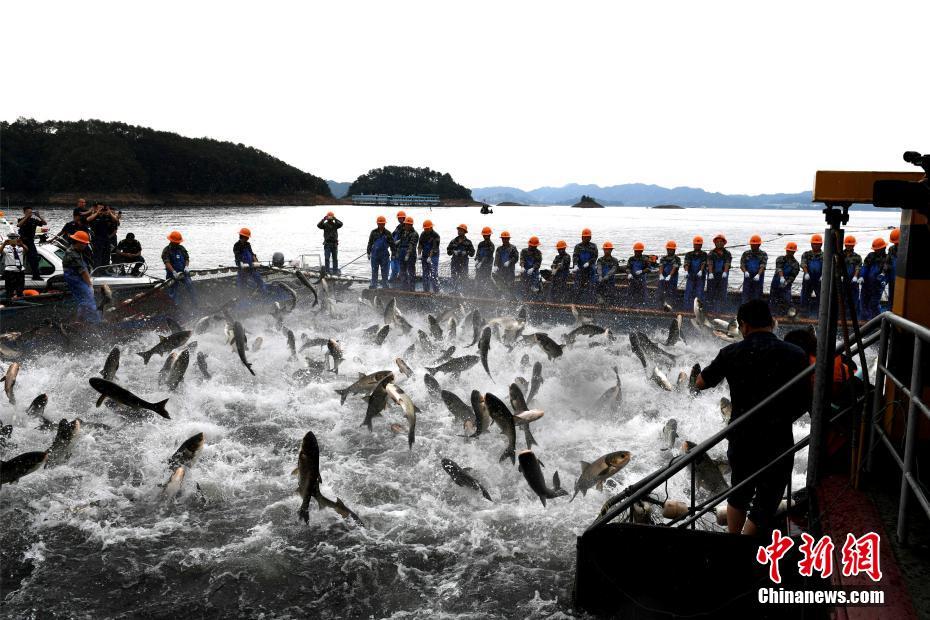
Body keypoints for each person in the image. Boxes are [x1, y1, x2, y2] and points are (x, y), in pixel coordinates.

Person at [695, 300, 808, 535]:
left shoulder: (730, 353)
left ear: (743, 326)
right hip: (778, 435)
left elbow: (701, 383)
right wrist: (785, 416)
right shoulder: (795, 354)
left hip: (742, 434)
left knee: (740, 491)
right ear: (772, 323)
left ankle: (734, 543)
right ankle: (748, 539)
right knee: (770, 494)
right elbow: (804, 397)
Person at [61, 231, 101, 323]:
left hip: (77, 278)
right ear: (78, 242)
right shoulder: (73, 254)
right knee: (89, 300)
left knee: (83, 302)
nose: (85, 246)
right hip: (75, 279)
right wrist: (90, 285)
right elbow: (83, 271)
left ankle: (79, 322)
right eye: (84, 244)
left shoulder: (75, 250)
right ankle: (95, 322)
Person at [162, 230, 197, 307]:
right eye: (177, 242)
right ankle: (175, 307)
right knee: (173, 291)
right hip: (172, 274)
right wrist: (174, 272)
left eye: (179, 242)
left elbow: (187, 258)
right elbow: (167, 262)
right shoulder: (166, 250)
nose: (178, 243)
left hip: (183, 273)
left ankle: (195, 304)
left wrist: (186, 267)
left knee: (190, 286)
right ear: (172, 241)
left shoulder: (181, 248)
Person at [860, 237, 887, 321]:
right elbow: (865, 266)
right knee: (863, 303)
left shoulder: (887, 258)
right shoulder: (870, 255)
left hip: (877, 285)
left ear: (883, 248)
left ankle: (876, 321)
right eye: (875, 249)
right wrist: (862, 276)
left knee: (874, 304)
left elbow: (887, 271)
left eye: (877, 249)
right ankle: (864, 321)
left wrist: (884, 281)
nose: (876, 251)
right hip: (866, 284)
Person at [769, 242, 800, 316]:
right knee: (773, 300)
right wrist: (782, 277)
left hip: (786, 286)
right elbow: (779, 268)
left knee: (787, 300)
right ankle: (773, 314)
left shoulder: (796, 264)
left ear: (794, 252)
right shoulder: (780, 258)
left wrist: (786, 283)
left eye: (791, 251)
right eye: (788, 250)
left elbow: (793, 276)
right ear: (786, 250)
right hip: (775, 284)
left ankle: (791, 314)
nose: (789, 252)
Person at [16, 206, 46, 281]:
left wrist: (38, 216)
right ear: (24, 212)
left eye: (31, 212)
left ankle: (36, 276)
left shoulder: (34, 220)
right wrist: (26, 217)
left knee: (34, 259)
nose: (30, 214)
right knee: (19, 258)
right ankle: (17, 275)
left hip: (30, 241)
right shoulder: (21, 219)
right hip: (22, 241)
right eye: (28, 212)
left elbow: (44, 223)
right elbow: (19, 225)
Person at [233, 228, 266, 293]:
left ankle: (263, 292)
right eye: (247, 237)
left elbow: (252, 254)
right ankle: (242, 295)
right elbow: (237, 256)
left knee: (258, 279)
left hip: (251, 266)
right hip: (242, 267)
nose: (248, 239)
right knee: (242, 282)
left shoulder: (248, 244)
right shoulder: (236, 245)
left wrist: (256, 261)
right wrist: (242, 264)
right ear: (243, 237)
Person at [705, 234, 732, 313]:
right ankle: (709, 311)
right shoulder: (711, 253)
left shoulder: (727, 253)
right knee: (710, 293)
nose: (719, 243)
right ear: (715, 243)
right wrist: (710, 273)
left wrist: (725, 272)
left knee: (722, 294)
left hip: (723, 276)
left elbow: (727, 263)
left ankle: (721, 311)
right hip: (712, 276)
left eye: (721, 242)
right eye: (717, 242)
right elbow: (709, 263)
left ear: (724, 243)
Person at [367, 215, 395, 289]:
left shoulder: (388, 233)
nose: (381, 225)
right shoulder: (373, 232)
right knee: (374, 271)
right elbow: (370, 243)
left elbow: (392, 245)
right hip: (374, 256)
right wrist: (368, 253)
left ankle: (385, 286)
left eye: (382, 223)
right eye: (380, 223)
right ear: (377, 224)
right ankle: (373, 285)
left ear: (385, 224)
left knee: (385, 272)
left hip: (384, 256)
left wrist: (393, 254)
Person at [85, 204, 118, 268]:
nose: (101, 210)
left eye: (102, 209)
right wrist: (97, 213)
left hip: (106, 238)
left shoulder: (107, 217)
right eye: (99, 208)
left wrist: (109, 212)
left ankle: (105, 270)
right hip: (97, 238)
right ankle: (97, 271)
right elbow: (88, 219)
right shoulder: (94, 217)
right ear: (96, 209)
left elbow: (116, 220)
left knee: (106, 255)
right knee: (98, 255)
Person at [446, 224, 475, 294]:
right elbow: (448, 252)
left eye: (461, 230)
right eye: (458, 230)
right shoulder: (453, 241)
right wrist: (453, 251)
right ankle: (454, 291)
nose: (459, 231)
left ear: (464, 232)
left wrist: (466, 252)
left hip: (464, 263)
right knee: (454, 277)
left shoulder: (468, 242)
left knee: (464, 277)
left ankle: (464, 292)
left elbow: (472, 253)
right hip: (454, 262)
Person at [800, 234, 824, 317]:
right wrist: (806, 273)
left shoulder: (824, 255)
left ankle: (819, 314)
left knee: (821, 297)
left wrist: (823, 275)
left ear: (821, 244)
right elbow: (803, 264)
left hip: (820, 280)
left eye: (817, 244)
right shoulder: (806, 254)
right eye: (814, 243)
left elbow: (827, 266)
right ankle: (804, 314)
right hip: (808, 279)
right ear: (811, 244)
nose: (816, 245)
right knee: (805, 296)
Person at [572, 228, 598, 303]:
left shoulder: (593, 246)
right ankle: (576, 302)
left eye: (588, 237)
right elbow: (575, 256)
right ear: (582, 237)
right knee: (577, 287)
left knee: (592, 286)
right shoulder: (578, 246)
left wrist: (589, 263)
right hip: (580, 270)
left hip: (590, 270)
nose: (586, 238)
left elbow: (595, 256)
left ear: (590, 238)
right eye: (585, 237)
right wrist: (575, 265)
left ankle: (591, 303)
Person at [739, 235, 767, 303]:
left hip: (758, 277)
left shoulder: (763, 254)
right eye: (752, 244)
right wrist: (745, 272)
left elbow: (762, 266)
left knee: (757, 295)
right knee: (746, 294)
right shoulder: (746, 253)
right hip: (748, 276)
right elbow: (742, 264)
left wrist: (758, 274)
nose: (753, 246)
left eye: (755, 244)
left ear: (759, 244)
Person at [682, 236, 707, 311]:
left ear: (701, 245)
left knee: (699, 294)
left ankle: (699, 311)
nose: (697, 246)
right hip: (691, 276)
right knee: (688, 293)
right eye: (696, 244)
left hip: (700, 277)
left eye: (699, 244)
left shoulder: (704, 254)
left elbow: (704, 263)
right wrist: (686, 271)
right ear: (693, 245)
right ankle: (687, 309)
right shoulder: (689, 254)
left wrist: (701, 270)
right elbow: (686, 263)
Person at [1, 233, 28, 302]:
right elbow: (0, 251)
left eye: (15, 238)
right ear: (8, 239)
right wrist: (4, 244)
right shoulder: (6, 248)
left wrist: (21, 244)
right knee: (9, 289)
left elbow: (27, 250)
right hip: (10, 271)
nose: (13, 240)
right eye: (11, 238)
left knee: (20, 289)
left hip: (20, 271)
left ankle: (20, 302)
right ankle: (9, 302)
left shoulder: (20, 247)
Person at [841, 236, 862, 318]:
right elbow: (837, 266)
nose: (849, 246)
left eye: (851, 245)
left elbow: (858, 267)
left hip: (853, 281)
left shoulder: (857, 257)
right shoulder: (840, 255)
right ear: (845, 245)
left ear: (854, 245)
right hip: (842, 281)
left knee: (853, 300)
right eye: (847, 245)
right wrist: (840, 276)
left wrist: (855, 277)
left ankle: (851, 316)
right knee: (841, 299)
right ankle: (841, 316)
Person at [656, 241, 681, 309]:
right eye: (668, 249)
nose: (669, 251)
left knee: (671, 293)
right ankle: (659, 307)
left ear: (674, 250)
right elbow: (661, 266)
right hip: (663, 278)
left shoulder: (677, 259)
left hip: (672, 279)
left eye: (671, 249)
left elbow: (675, 267)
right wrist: (661, 274)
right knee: (660, 292)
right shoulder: (663, 258)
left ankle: (670, 308)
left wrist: (670, 275)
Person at [625, 241, 651, 307]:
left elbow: (649, 269)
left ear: (641, 251)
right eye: (636, 251)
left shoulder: (645, 259)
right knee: (631, 292)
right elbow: (628, 268)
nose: (637, 252)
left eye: (638, 251)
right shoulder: (631, 259)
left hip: (641, 279)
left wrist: (642, 271)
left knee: (643, 294)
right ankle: (630, 306)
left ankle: (644, 306)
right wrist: (629, 273)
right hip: (632, 279)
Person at [418, 220, 440, 293]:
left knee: (434, 274)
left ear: (431, 227)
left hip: (433, 256)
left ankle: (436, 291)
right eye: (425, 228)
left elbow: (434, 248)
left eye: (427, 228)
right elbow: (420, 245)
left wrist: (430, 257)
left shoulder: (436, 235)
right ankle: (426, 290)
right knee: (425, 274)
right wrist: (419, 254)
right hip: (424, 255)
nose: (426, 230)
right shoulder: (423, 234)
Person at [398, 216, 419, 291]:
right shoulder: (403, 231)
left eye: (408, 224)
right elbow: (401, 241)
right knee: (402, 271)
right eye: (406, 224)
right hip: (402, 253)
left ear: (411, 225)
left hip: (411, 254)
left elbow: (412, 245)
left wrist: (407, 254)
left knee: (411, 272)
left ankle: (412, 288)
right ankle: (404, 287)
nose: (406, 225)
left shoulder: (415, 234)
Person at [474, 226, 495, 293]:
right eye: (484, 235)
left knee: (486, 279)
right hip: (479, 266)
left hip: (487, 266)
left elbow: (487, 256)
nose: (485, 236)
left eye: (486, 235)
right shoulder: (481, 244)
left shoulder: (491, 245)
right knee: (478, 278)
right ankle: (478, 291)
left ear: (489, 235)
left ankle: (487, 292)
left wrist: (481, 263)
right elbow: (477, 253)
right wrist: (477, 260)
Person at [389, 211, 407, 283]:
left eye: (401, 218)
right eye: (398, 218)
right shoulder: (398, 227)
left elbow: (407, 237)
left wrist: (399, 241)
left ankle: (401, 281)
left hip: (402, 250)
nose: (399, 219)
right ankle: (392, 280)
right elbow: (392, 235)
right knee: (394, 267)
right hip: (395, 250)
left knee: (401, 268)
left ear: (404, 218)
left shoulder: (407, 227)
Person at [885, 228, 899, 310]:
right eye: (894, 243)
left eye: (897, 243)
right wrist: (884, 273)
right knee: (892, 297)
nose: (896, 244)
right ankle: (890, 312)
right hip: (892, 277)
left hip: (903, 279)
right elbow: (887, 262)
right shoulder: (891, 249)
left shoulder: (907, 248)